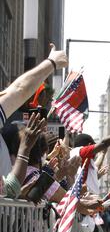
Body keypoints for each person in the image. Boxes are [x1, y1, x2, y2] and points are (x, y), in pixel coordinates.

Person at [0, 44, 67, 177]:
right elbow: (20, 89)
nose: (46, 102)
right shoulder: (12, 125)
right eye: (45, 98)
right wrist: (52, 62)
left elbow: (13, 186)